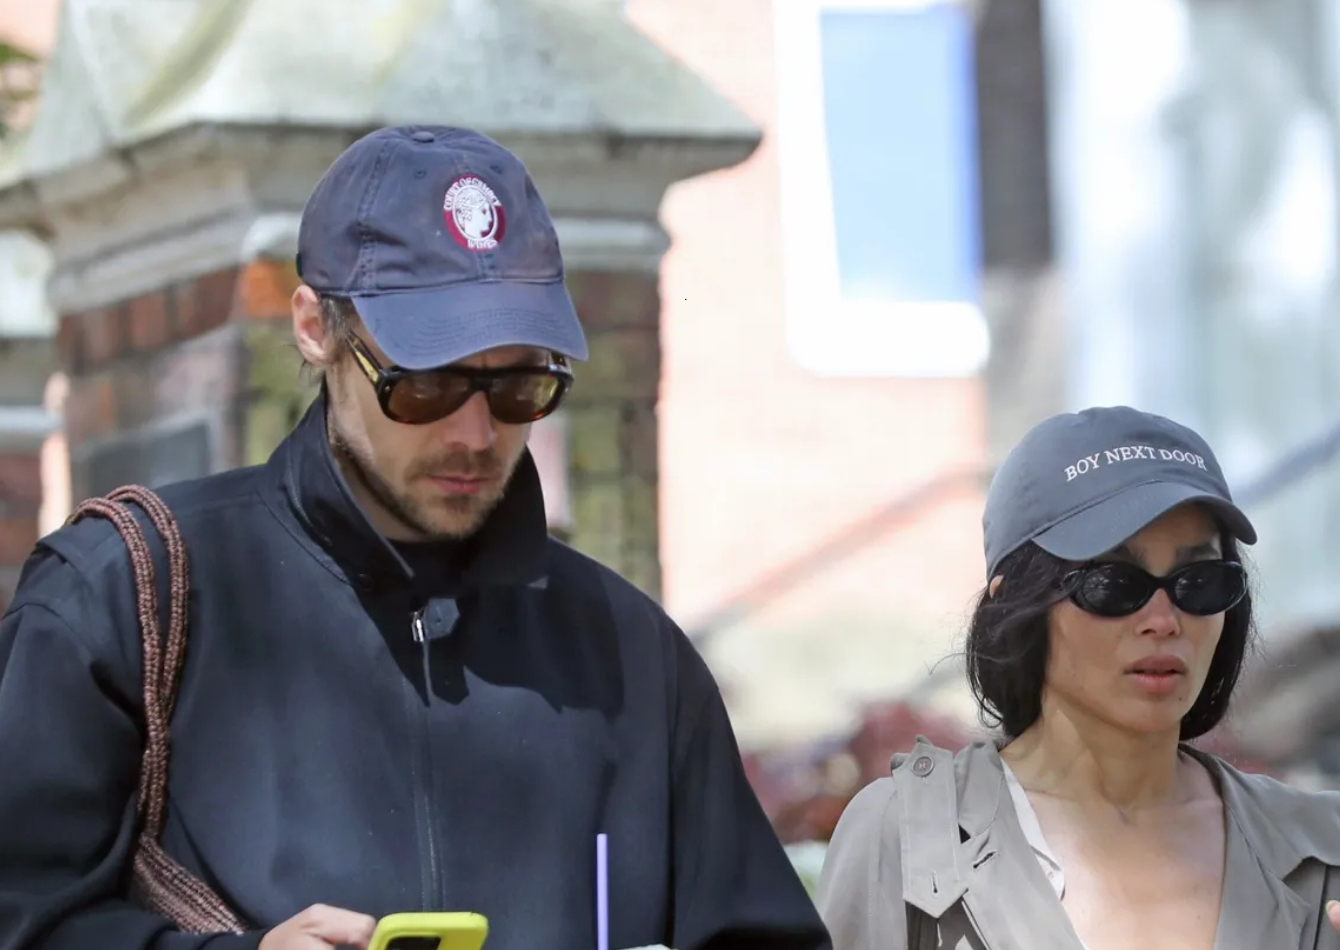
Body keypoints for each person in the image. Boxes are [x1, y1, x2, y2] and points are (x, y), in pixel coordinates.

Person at [0, 126, 828, 950]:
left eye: (519, 385)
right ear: (316, 330)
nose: (476, 432)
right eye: (426, 383)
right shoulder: (118, 596)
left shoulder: (634, 656)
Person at [816, 406, 1340, 950]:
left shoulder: (1321, 851)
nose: (1163, 621)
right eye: (1112, 583)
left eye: (1200, 581)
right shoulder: (906, 836)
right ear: (1017, 602)